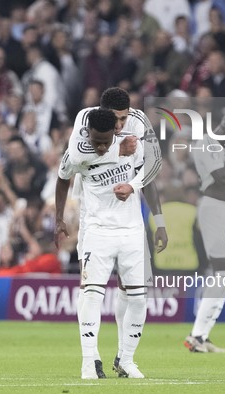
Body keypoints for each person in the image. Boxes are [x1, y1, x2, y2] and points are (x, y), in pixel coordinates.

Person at [66, 87, 167, 377]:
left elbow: (155, 164)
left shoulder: (139, 121)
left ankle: (124, 358)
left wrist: (154, 214)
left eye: (124, 119)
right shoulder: (85, 119)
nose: (121, 125)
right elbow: (74, 155)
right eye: (115, 119)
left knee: (133, 289)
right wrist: (116, 149)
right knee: (90, 287)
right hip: (93, 216)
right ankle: (91, 358)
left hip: (130, 221)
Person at [55, 108, 147, 379]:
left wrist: (134, 187)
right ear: (88, 133)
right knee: (92, 293)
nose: (102, 146)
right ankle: (88, 361)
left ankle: (126, 360)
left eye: (107, 140)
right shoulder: (79, 149)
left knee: (139, 298)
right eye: (97, 141)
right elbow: (62, 178)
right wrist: (58, 217)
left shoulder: (132, 141)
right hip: (96, 230)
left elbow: (149, 172)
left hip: (131, 230)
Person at [185, 114, 225, 353]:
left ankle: (202, 335)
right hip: (214, 209)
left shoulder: (221, 148)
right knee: (222, 271)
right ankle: (196, 336)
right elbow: (220, 177)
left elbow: (224, 176)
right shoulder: (206, 143)